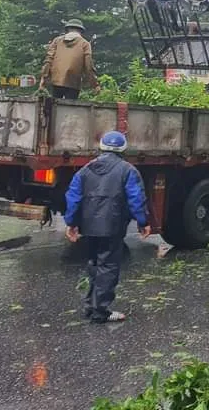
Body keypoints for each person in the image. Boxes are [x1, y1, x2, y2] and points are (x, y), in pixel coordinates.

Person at [63, 131, 151, 324]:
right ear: (123, 149)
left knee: (94, 263)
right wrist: (143, 222)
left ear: (101, 147)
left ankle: (90, 305)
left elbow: (73, 197)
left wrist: (71, 223)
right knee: (108, 266)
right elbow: (136, 198)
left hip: (89, 227)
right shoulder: (128, 170)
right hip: (112, 225)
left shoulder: (85, 170)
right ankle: (100, 310)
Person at [39, 19, 99, 99]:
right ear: (81, 31)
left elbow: (48, 60)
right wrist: (94, 85)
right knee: (70, 108)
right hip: (73, 82)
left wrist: (43, 78)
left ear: (67, 29)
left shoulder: (57, 41)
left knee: (55, 106)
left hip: (56, 80)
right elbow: (89, 66)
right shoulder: (85, 44)